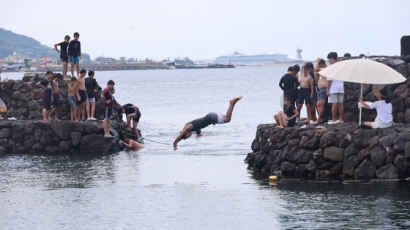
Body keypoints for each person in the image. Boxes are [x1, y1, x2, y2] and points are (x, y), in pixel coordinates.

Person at [173, 96, 243, 151]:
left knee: (228, 119)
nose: (189, 136)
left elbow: (181, 134)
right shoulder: (191, 129)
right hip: (211, 117)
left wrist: (175, 143)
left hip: (211, 118)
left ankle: (232, 102)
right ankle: (233, 103)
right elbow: (197, 127)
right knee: (227, 117)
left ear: (185, 133)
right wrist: (198, 134)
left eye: (187, 136)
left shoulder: (188, 127)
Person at [326, 52, 344, 124]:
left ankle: (333, 120)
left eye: (329, 59)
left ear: (332, 58)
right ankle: (341, 119)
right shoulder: (341, 67)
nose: (329, 61)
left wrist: (328, 90)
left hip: (333, 87)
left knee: (334, 103)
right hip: (341, 87)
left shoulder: (331, 68)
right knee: (341, 104)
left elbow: (329, 80)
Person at [313, 59, 328, 124]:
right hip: (321, 89)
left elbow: (316, 69)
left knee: (320, 104)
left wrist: (317, 62)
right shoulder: (322, 70)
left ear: (322, 64)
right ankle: (320, 119)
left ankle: (319, 119)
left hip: (324, 89)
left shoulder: (326, 69)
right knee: (318, 104)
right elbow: (315, 72)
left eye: (319, 65)